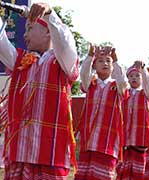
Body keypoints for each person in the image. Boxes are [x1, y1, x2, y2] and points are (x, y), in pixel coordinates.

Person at [0, 2, 79, 179]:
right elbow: (1, 43)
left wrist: (50, 14)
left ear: (48, 32)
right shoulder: (19, 60)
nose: (24, 35)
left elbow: (65, 43)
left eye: (29, 28)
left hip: (50, 154)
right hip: (19, 151)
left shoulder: (62, 62)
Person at [74, 44, 127, 180]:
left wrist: (116, 60)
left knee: (103, 175)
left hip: (108, 140)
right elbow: (84, 74)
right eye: (100, 61)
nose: (105, 63)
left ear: (113, 66)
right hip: (89, 139)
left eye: (108, 61)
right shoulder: (90, 84)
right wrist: (90, 55)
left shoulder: (117, 87)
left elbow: (122, 80)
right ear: (94, 66)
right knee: (84, 174)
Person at [116, 61, 149, 180]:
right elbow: (120, 80)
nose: (134, 78)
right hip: (126, 136)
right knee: (123, 165)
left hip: (140, 136)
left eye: (137, 76)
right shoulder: (124, 93)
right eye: (131, 76)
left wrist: (143, 70)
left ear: (142, 78)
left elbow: (148, 82)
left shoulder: (146, 93)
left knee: (140, 166)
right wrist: (117, 63)